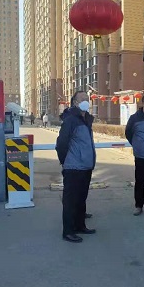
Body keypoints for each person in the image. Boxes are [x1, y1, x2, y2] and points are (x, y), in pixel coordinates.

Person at [55, 91, 96, 243]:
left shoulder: (86, 119)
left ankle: (80, 226)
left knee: (81, 198)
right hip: (73, 167)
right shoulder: (70, 119)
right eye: (82, 99)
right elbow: (61, 143)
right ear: (75, 102)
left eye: (87, 99)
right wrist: (65, 161)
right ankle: (68, 231)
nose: (86, 101)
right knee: (70, 201)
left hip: (86, 166)